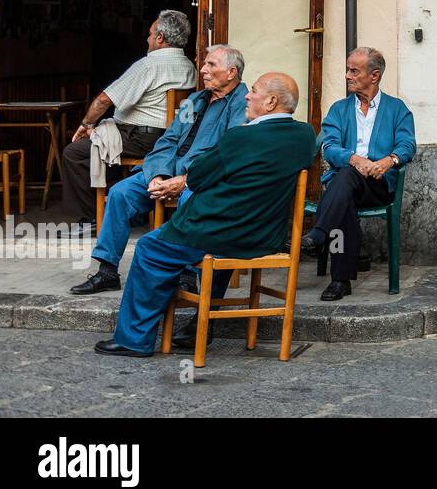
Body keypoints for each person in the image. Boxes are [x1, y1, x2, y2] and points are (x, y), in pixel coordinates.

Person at [94, 73, 317, 357]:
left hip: (218, 233)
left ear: (272, 101)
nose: (247, 95)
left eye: (255, 91)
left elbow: (197, 176)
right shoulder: (305, 135)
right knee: (194, 249)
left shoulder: (241, 137)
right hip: (263, 237)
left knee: (150, 248)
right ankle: (201, 319)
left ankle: (134, 340)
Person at [69, 45, 249, 295]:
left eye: (211, 65)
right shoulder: (195, 100)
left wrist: (185, 179)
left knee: (190, 199)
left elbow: (229, 151)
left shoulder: (243, 103)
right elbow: (168, 140)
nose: (203, 70)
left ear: (231, 72)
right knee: (121, 193)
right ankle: (107, 271)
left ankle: (187, 273)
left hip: (200, 179)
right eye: (204, 64)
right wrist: (158, 175)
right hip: (167, 171)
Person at [60, 10, 197, 233]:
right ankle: (130, 212)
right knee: (104, 152)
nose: (147, 39)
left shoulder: (148, 65)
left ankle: (91, 219)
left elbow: (104, 100)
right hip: (171, 138)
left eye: (151, 34)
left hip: (142, 137)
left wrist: (86, 125)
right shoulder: (188, 66)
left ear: (161, 38)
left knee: (75, 153)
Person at [300, 47, 416, 301]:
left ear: (374, 76)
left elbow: (407, 145)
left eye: (354, 71)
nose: (347, 76)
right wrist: (355, 159)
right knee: (345, 189)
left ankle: (320, 237)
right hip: (346, 182)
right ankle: (340, 280)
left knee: (343, 184)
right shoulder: (339, 110)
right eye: (348, 70)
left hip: (377, 184)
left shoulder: (397, 109)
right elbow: (329, 147)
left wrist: (387, 161)